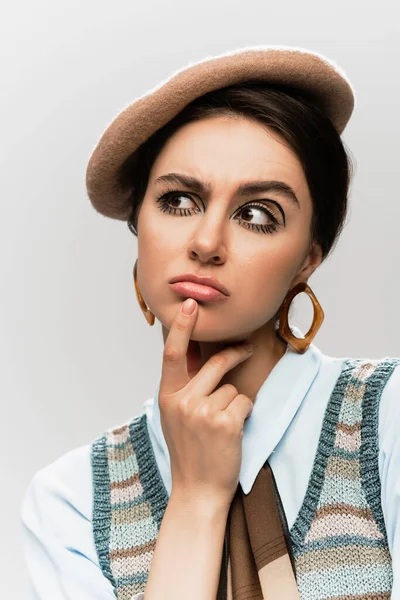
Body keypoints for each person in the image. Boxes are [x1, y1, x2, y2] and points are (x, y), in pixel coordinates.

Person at [20, 45, 400, 600]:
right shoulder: (73, 500)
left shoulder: (386, 419)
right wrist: (197, 498)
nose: (205, 242)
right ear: (139, 227)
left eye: (257, 215)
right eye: (178, 201)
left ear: (309, 258)